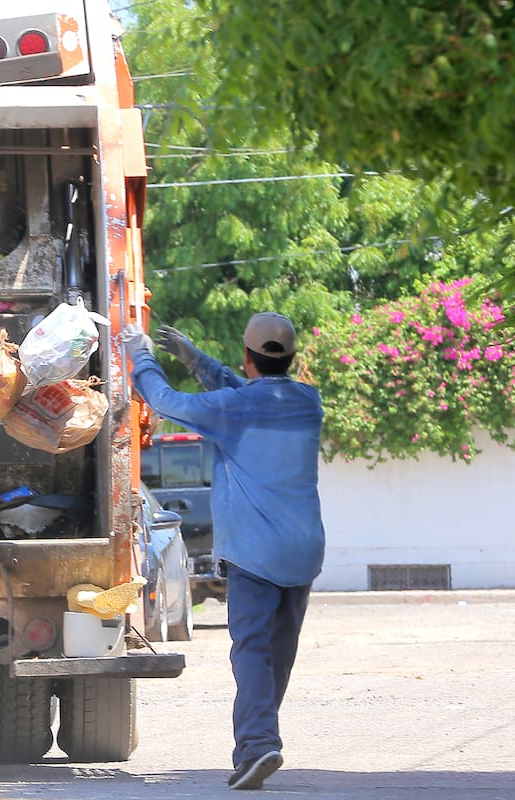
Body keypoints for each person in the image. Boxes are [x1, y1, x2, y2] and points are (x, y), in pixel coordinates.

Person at [123, 313, 325, 791]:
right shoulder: (306, 401)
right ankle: (258, 744)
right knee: (277, 654)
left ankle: (258, 745)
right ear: (290, 358)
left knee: (252, 651)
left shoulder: (234, 410)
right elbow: (248, 393)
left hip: (256, 551)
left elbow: (165, 402)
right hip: (304, 551)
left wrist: (140, 353)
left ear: (247, 357)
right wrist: (196, 360)